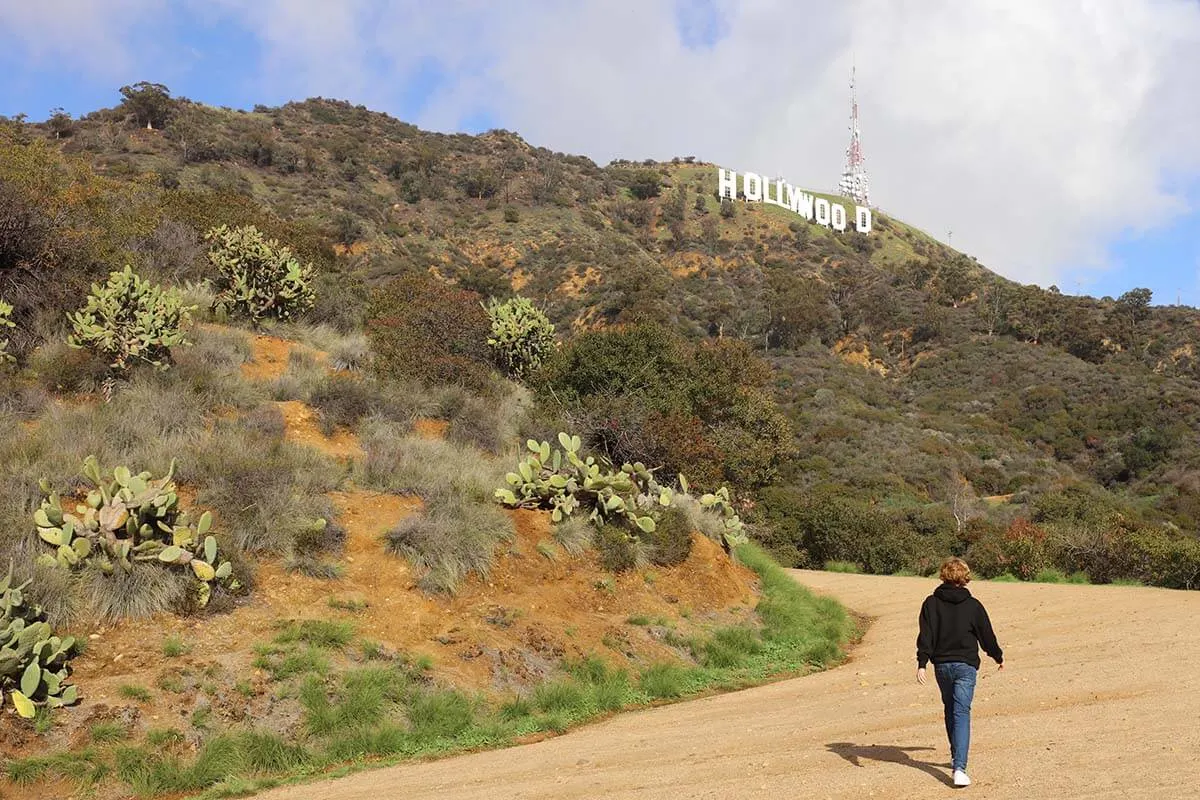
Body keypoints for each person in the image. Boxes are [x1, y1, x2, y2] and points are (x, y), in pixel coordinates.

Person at [916, 557, 1004, 788]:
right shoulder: (973, 605)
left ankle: (957, 758)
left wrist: (922, 663)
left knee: (951, 710)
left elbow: (926, 636)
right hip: (965, 666)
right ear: (965, 577)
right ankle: (960, 768)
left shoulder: (930, 603)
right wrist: (997, 656)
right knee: (961, 712)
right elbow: (987, 635)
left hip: (942, 666)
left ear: (943, 575)